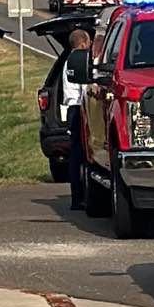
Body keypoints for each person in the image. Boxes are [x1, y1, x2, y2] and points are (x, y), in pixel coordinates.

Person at [62, 26, 92, 210]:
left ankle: (77, 196)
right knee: (81, 155)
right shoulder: (79, 61)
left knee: (76, 155)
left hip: (72, 109)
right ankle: (79, 196)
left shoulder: (68, 61)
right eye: (88, 42)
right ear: (82, 43)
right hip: (79, 108)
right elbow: (85, 89)